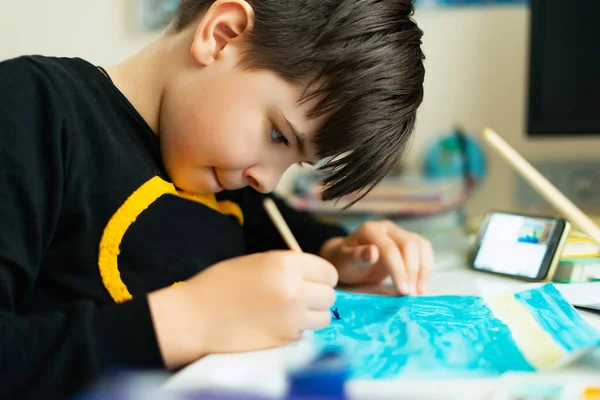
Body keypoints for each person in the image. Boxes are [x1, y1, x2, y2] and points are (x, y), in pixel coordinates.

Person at [0, 0, 429, 398]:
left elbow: (281, 229)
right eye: (278, 135)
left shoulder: (228, 184)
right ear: (221, 35)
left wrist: (339, 251)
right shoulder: (33, 106)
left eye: (295, 162)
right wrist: (188, 321)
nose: (266, 181)